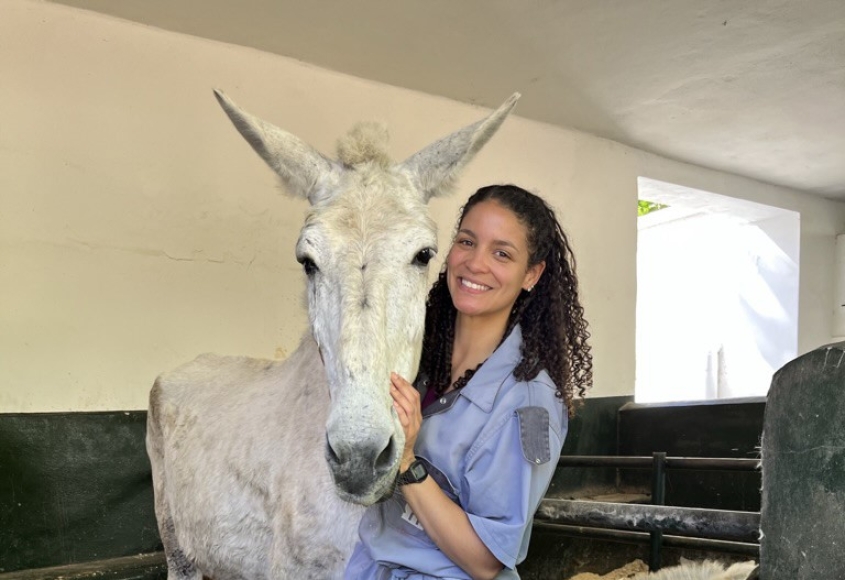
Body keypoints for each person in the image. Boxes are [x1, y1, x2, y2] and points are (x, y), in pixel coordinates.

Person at [345, 184, 593, 580]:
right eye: (467, 241)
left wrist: (407, 463)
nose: (475, 263)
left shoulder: (529, 401)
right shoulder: (417, 359)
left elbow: (486, 561)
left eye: (501, 253)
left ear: (531, 274)